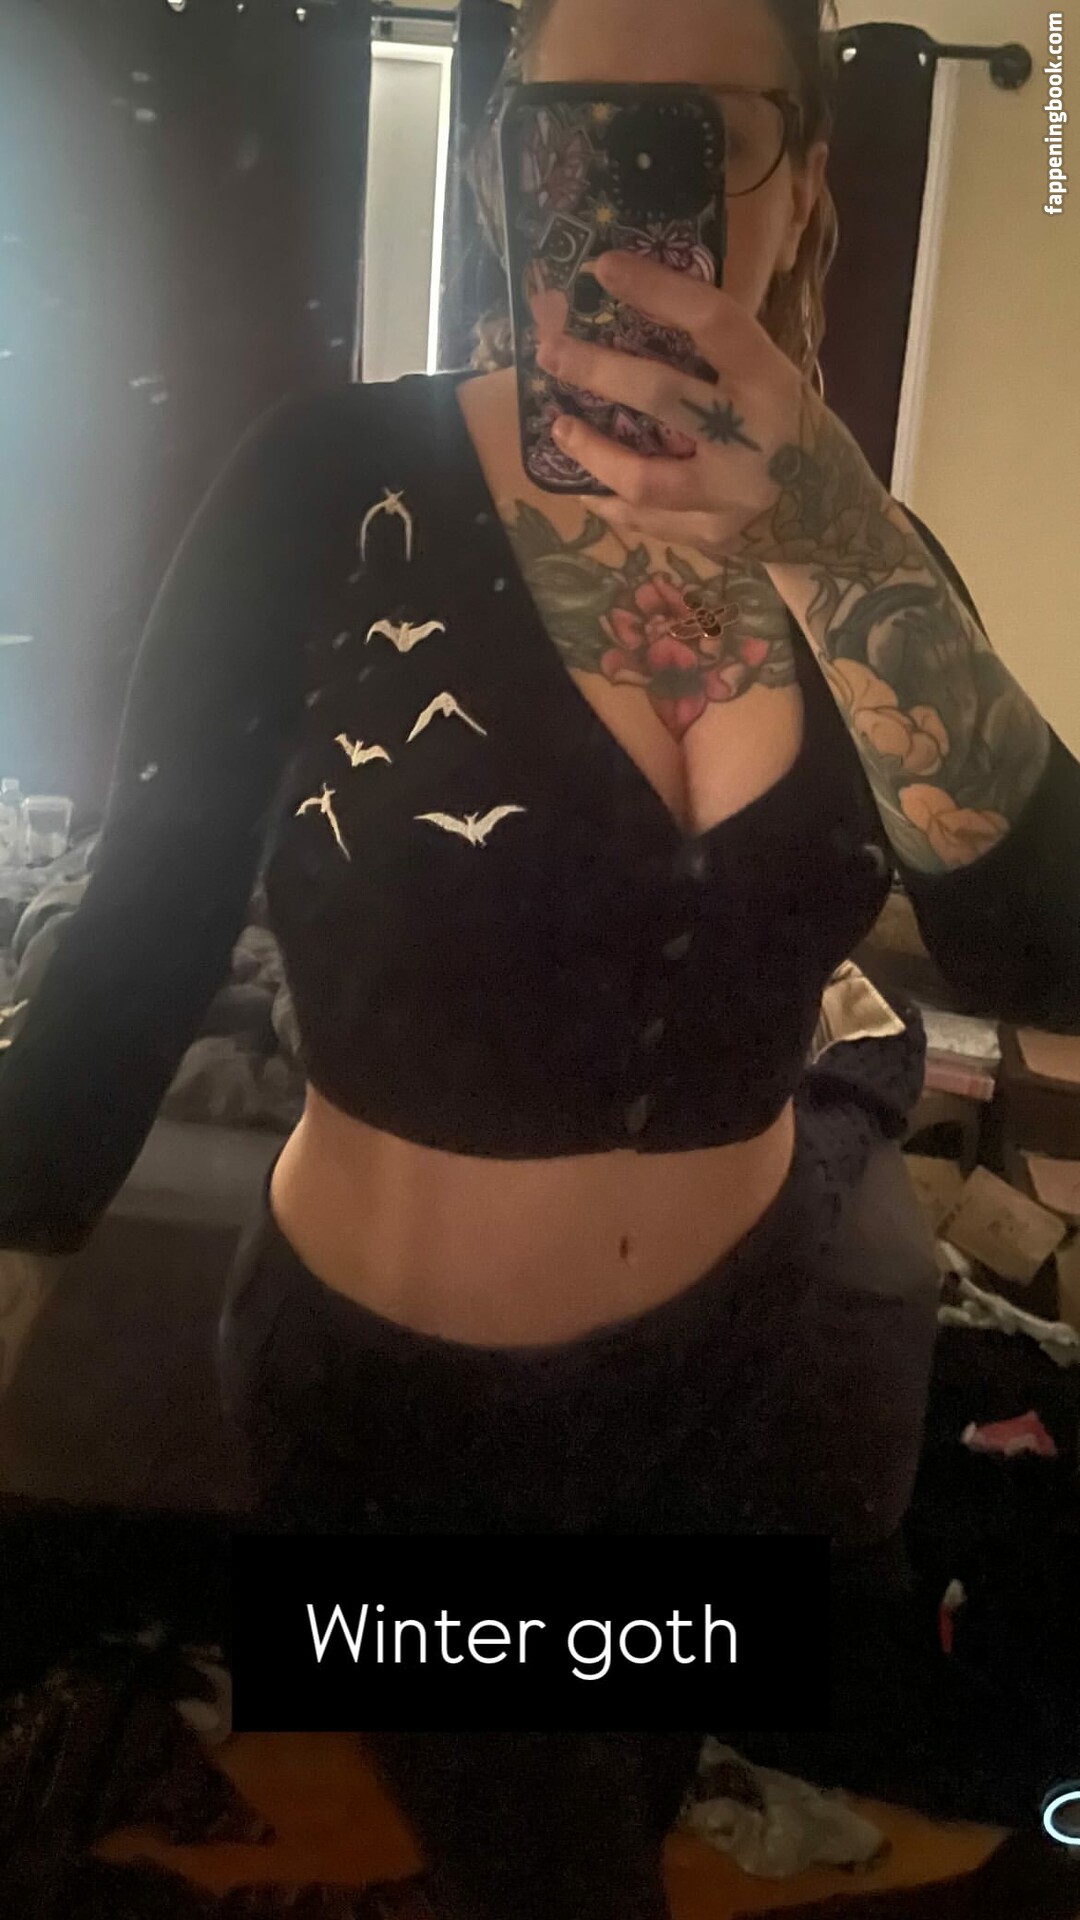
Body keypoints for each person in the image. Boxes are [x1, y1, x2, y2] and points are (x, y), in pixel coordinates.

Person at [1, 0, 1078, 1909]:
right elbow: (142, 929)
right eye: (574, 126)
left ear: (806, 182)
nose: (626, 183)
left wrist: (834, 535)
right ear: (505, 170)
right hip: (390, 1407)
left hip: (736, 1370)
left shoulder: (873, 552)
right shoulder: (326, 479)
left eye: (698, 130)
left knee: (629, 1784)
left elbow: (1046, 950)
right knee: (556, 1873)